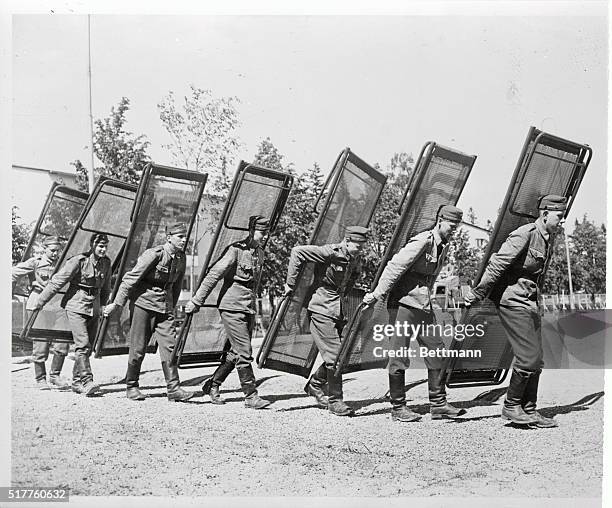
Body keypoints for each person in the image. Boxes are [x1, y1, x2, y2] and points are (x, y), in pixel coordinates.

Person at [464, 195, 566, 428]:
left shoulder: (546, 238)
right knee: (527, 356)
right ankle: (511, 406)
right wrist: (477, 293)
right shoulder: (525, 234)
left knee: (537, 359)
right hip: (512, 302)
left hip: (530, 302)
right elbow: (497, 264)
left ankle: (529, 409)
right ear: (545, 213)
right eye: (559, 216)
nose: (561, 221)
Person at [363, 205, 467, 422]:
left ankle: (438, 404)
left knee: (437, 351)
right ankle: (398, 408)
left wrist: (452, 299)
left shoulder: (442, 246)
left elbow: (433, 280)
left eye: (456, 227)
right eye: (451, 225)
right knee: (399, 355)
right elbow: (394, 267)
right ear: (440, 220)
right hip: (403, 304)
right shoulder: (423, 241)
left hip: (423, 305)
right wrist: (376, 294)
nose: (453, 230)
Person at [184, 215, 271, 410]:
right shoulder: (236, 250)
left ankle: (212, 384)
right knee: (244, 351)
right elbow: (213, 275)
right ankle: (251, 395)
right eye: (261, 232)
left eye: (266, 233)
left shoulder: (260, 253)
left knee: (235, 353)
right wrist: (197, 300)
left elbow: (253, 285)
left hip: (247, 307)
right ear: (251, 231)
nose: (264, 237)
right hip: (231, 306)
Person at [283, 226, 368, 416]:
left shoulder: (355, 257)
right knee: (336, 356)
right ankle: (335, 401)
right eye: (358, 245)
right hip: (321, 308)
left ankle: (315, 384)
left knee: (342, 354)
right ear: (347, 241)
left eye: (362, 246)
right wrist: (291, 283)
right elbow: (297, 252)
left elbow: (351, 279)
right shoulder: (330, 252)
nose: (360, 250)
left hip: (338, 310)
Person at [104, 223, 193, 402]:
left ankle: (173, 388)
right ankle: (131, 386)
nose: (184, 240)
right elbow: (129, 279)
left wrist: (172, 307)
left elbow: (175, 286)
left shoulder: (181, 257)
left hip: (164, 307)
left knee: (170, 346)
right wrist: (117, 303)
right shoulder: (155, 254)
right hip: (143, 304)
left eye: (185, 237)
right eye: (180, 237)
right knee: (138, 347)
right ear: (169, 237)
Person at [35, 233, 112, 396]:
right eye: (100, 246)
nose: (103, 249)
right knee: (82, 344)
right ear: (92, 246)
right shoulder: (78, 261)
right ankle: (87, 380)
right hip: (75, 306)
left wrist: (103, 306)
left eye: (105, 246)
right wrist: (41, 301)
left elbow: (105, 288)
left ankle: (77, 383)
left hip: (94, 307)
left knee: (89, 346)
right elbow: (57, 281)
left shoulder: (106, 263)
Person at [12, 236, 70, 390]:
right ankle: (40, 378)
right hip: (38, 304)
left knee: (62, 343)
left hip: (57, 305)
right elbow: (12, 273)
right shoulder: (35, 262)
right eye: (52, 250)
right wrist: (25, 286)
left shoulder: (62, 264)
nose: (55, 254)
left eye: (58, 251)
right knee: (40, 343)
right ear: (44, 249)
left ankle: (55, 376)